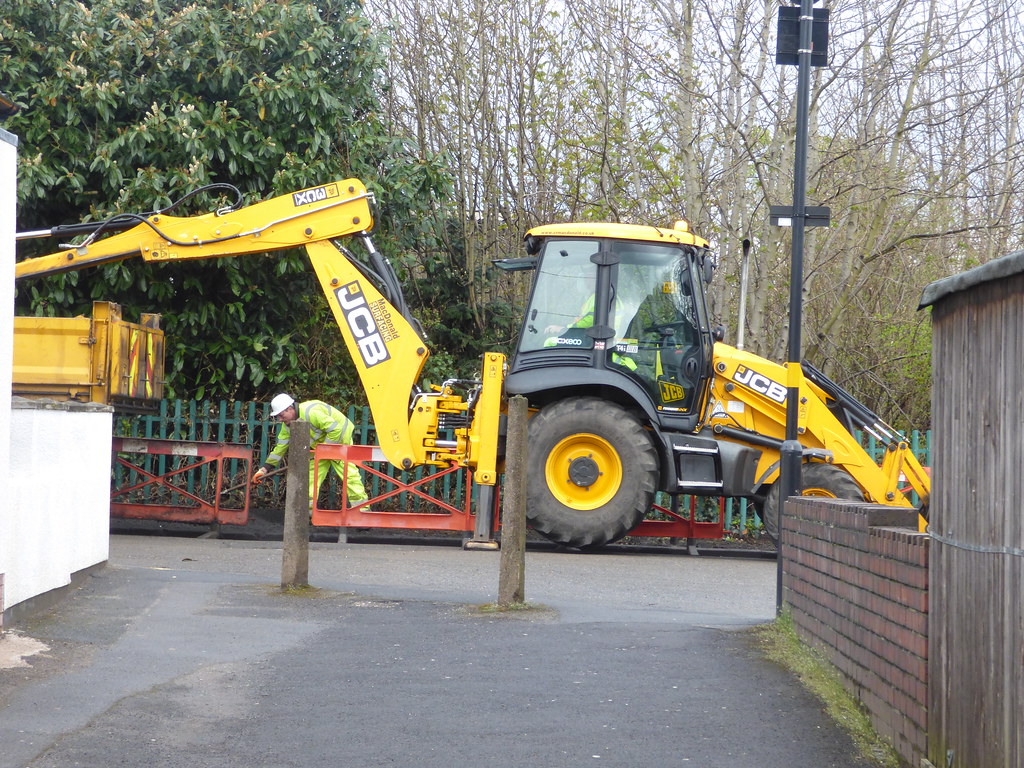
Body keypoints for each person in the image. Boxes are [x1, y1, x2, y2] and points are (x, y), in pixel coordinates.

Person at [252, 393, 370, 511]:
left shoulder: (311, 412)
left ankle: (363, 511)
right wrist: (264, 470)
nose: (280, 419)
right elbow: (279, 449)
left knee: (349, 476)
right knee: (310, 479)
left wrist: (325, 449)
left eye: (281, 415)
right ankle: (307, 514)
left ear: (290, 409)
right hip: (320, 447)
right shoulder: (287, 426)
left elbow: (336, 429)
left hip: (340, 441)